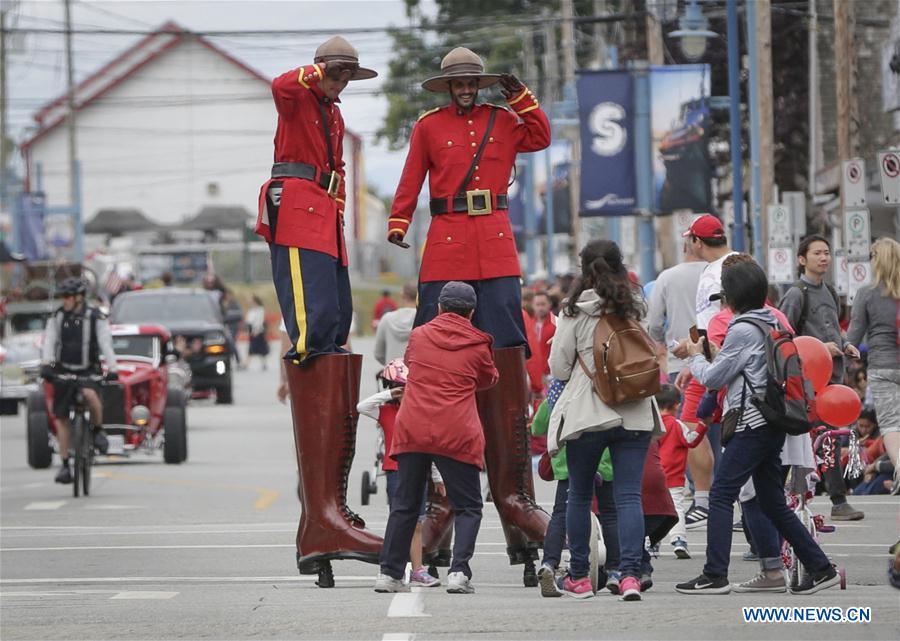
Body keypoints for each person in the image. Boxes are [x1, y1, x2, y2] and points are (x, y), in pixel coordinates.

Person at [385, 46, 552, 585]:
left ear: (479, 84)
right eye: (455, 81)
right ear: (446, 85)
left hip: (496, 240)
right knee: (432, 336)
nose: (463, 88)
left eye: (470, 81)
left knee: (505, 338)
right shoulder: (429, 126)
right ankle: (439, 494)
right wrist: (399, 220)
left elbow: (542, 134)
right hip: (448, 239)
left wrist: (520, 94)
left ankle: (513, 485)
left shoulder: (504, 120)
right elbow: (412, 175)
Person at [253, 35, 382, 587]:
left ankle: (327, 511)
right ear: (321, 69)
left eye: (347, 76)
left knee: (334, 331)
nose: (340, 82)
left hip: (325, 217)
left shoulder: (332, 111)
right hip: (301, 210)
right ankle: (321, 517)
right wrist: (315, 72)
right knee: (309, 334)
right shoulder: (300, 95)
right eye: (336, 73)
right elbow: (280, 84)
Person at [676, 261, 840, 595]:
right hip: (772, 423)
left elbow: (712, 377)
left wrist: (694, 355)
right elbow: (741, 366)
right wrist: (709, 353)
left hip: (751, 424)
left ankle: (714, 574)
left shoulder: (742, 328)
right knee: (771, 502)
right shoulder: (770, 322)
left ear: (731, 297)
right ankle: (822, 569)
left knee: (721, 495)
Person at [548, 239, 662, 602]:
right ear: (619, 264)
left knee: (579, 495)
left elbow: (558, 367)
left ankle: (580, 576)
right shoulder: (635, 305)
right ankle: (629, 575)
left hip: (588, 414)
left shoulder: (575, 311)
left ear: (584, 269)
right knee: (629, 496)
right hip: (635, 410)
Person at [374, 282, 498, 594]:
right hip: (456, 429)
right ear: (471, 312)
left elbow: (412, 366)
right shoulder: (479, 343)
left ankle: (389, 574)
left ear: (439, 307)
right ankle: (458, 572)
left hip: (413, 426)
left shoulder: (418, 336)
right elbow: (488, 379)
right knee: (468, 505)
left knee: (404, 504)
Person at [779, 234, 865, 518]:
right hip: (807, 382)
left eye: (826, 253)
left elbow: (833, 327)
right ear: (802, 260)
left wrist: (844, 343)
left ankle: (805, 498)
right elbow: (783, 336)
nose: (824, 258)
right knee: (814, 439)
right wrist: (817, 348)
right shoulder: (796, 294)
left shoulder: (828, 290)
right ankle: (835, 500)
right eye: (817, 253)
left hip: (832, 379)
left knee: (827, 438)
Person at [358, 359, 445, 587]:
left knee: (417, 523)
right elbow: (361, 406)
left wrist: (437, 477)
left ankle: (417, 569)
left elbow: (430, 446)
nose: (406, 392)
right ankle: (394, 567)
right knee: (399, 520)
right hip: (395, 471)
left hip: (420, 471)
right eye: (402, 388)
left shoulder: (421, 412)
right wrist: (389, 395)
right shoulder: (386, 412)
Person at [675, 214, 736, 529]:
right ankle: (741, 502)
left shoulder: (714, 274)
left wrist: (692, 353)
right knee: (740, 431)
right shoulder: (742, 262)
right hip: (739, 359)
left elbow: (714, 325)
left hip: (716, 360)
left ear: (697, 241)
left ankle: (703, 502)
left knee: (689, 428)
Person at [39, 278, 118, 484]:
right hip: (64, 370)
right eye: (62, 297)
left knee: (91, 396)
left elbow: (105, 344)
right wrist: (46, 364)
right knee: (62, 418)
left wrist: (113, 368)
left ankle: (99, 431)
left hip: (88, 370)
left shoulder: (96, 318)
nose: (64, 301)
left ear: (79, 298)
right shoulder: (57, 317)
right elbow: (49, 341)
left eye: (67, 297)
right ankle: (65, 465)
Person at [847, 237, 900, 495]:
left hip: (882, 366)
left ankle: (899, 466)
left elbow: (853, 338)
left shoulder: (867, 293)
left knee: (891, 424)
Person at [656, 384, 707, 559]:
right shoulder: (677, 425)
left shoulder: (652, 425)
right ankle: (678, 540)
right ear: (677, 405)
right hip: (674, 477)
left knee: (651, 509)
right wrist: (702, 427)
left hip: (653, 476)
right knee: (676, 508)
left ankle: (651, 542)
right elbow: (691, 441)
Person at [647, 237, 705, 383]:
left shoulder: (666, 277)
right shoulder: (718, 273)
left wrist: (661, 343)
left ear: (685, 248)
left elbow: (654, 322)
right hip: (714, 359)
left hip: (679, 361)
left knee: (684, 405)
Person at [374, 281, 417, 366]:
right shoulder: (423, 319)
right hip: (415, 375)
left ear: (402, 295)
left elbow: (378, 354)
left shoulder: (387, 318)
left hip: (392, 374)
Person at [245, 295, 269, 371]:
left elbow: (260, 321)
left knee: (257, 348)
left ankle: (247, 364)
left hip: (258, 332)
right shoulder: (251, 310)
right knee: (254, 348)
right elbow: (249, 321)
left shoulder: (260, 310)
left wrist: (257, 331)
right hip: (252, 331)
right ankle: (262, 364)